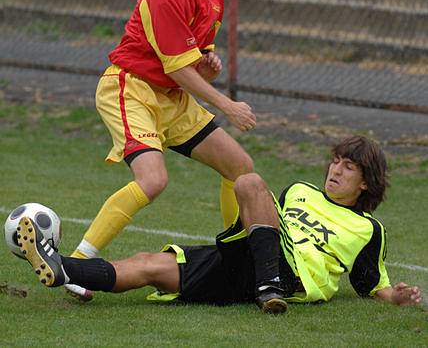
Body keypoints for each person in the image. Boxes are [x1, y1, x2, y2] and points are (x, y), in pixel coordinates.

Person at [65, 0, 256, 300]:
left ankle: (238, 255)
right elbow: (181, 70)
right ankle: (76, 265)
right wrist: (228, 105)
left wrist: (210, 66)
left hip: (172, 98)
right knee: (153, 181)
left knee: (239, 168)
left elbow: (194, 68)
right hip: (131, 88)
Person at [17, 136, 422, 314]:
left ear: (366, 181)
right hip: (250, 260)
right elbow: (261, 214)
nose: (336, 170)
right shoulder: (300, 190)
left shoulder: (370, 229)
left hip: (294, 275)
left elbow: (370, 283)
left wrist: (395, 297)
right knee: (149, 265)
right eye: (335, 161)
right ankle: (61, 269)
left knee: (246, 179)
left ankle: (270, 288)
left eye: (348, 167)